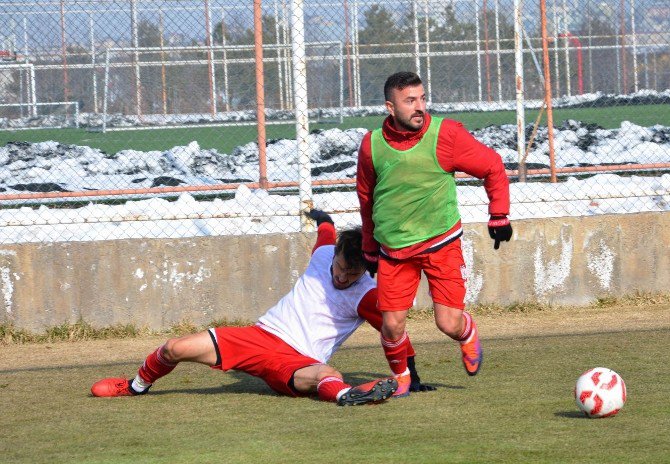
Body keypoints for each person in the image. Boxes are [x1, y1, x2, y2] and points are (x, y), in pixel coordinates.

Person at [90, 210, 434, 406]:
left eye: (352, 273)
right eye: (342, 268)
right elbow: (327, 233)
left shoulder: (367, 295)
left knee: (328, 376)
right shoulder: (325, 254)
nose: (343, 276)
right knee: (175, 347)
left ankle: (348, 396)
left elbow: (395, 330)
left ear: (366, 270)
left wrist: (411, 376)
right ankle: (134, 387)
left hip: (299, 360)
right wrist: (323, 219)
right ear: (337, 256)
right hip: (259, 337)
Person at [356, 71, 512, 397]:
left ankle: (467, 334)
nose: (419, 107)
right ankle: (401, 380)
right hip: (394, 251)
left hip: (441, 244)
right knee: (391, 325)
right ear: (390, 106)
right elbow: (367, 198)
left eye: (422, 98)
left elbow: (492, 165)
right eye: (410, 101)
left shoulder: (446, 135)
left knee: (448, 323)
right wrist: (369, 247)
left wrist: (498, 215)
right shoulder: (371, 146)